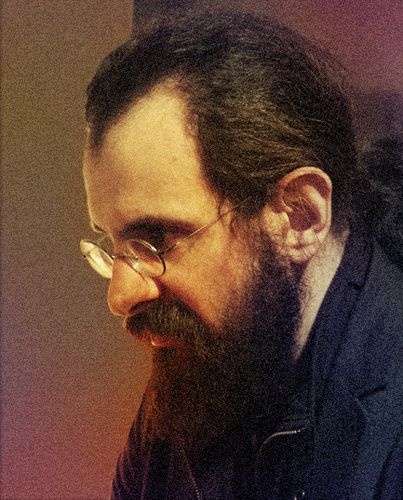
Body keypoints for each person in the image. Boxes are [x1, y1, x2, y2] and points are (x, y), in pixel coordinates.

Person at [80, 10, 402, 499]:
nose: (120, 296)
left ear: (299, 217)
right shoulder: (199, 373)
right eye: (114, 244)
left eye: (157, 239)